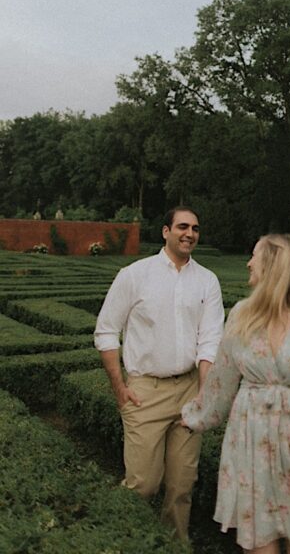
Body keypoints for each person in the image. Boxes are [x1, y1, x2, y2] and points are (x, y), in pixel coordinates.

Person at [180, 233, 290, 554]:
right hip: (250, 444)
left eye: (254, 256)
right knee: (259, 543)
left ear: (273, 265)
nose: (248, 262)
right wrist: (195, 416)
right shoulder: (242, 315)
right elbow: (221, 379)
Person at [94, 205, 224, 543]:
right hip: (145, 391)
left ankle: (176, 545)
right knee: (142, 484)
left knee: (181, 486)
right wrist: (120, 387)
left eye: (195, 228)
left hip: (188, 390)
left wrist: (204, 395)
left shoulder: (207, 281)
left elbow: (210, 340)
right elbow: (106, 331)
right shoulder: (134, 275)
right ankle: (118, 543)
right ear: (165, 231)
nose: (189, 234)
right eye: (182, 226)